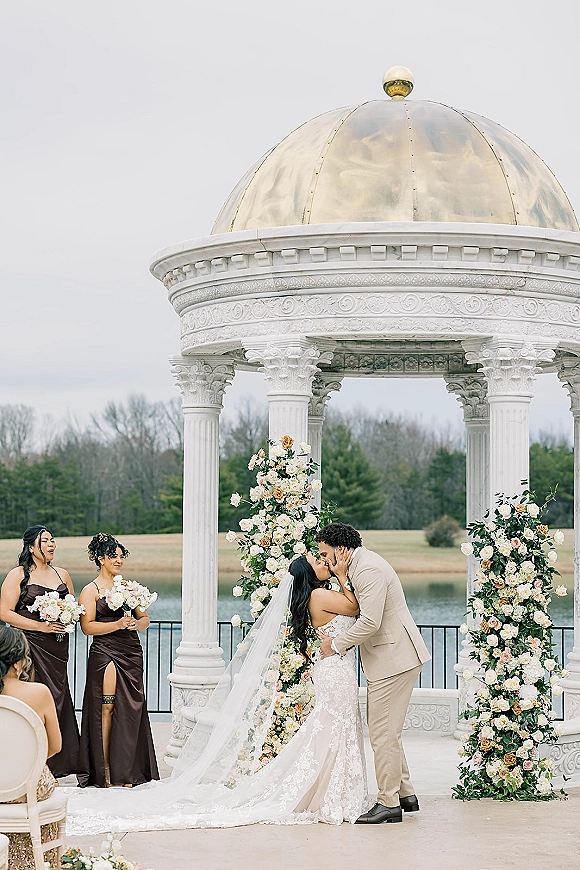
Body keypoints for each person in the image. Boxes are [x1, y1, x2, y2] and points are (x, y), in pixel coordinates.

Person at [64, 551, 369, 833]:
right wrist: (343, 574)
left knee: (332, 730)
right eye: (317, 560)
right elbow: (354, 607)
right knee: (331, 729)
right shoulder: (320, 594)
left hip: (333, 668)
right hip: (333, 669)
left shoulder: (318, 594)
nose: (323, 561)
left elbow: (144, 618)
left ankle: (331, 789)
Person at [317, 522, 431, 824]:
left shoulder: (367, 570)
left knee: (382, 734)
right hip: (392, 657)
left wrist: (335, 645)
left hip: (394, 659)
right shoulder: (357, 567)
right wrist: (341, 576)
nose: (324, 560)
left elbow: (371, 622)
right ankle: (405, 793)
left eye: (325, 553)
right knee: (387, 730)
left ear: (341, 549)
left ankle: (388, 803)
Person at [76, 533, 159, 788]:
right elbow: (87, 628)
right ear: (101, 559)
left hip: (132, 651)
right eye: (114, 556)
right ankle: (105, 771)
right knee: (107, 708)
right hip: (106, 652)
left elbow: (145, 620)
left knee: (130, 710)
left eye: (121, 556)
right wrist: (117, 624)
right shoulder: (90, 590)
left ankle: (127, 771)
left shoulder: (128, 588)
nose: (119, 560)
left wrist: (135, 622)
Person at [0, 525, 79, 778]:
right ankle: (27, 762)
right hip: (31, 645)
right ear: (31, 547)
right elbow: (4, 612)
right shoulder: (18, 575)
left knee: (57, 695)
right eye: (45, 541)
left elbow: (73, 608)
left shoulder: (63, 574)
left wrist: (68, 618)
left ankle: (59, 763)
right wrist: (39, 626)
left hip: (57, 647)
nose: (51, 544)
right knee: (33, 696)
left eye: (53, 540)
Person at [0, 624, 62, 870]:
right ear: (17, 663)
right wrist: (24, 766)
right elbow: (55, 746)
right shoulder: (39, 693)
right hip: (28, 786)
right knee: (46, 783)